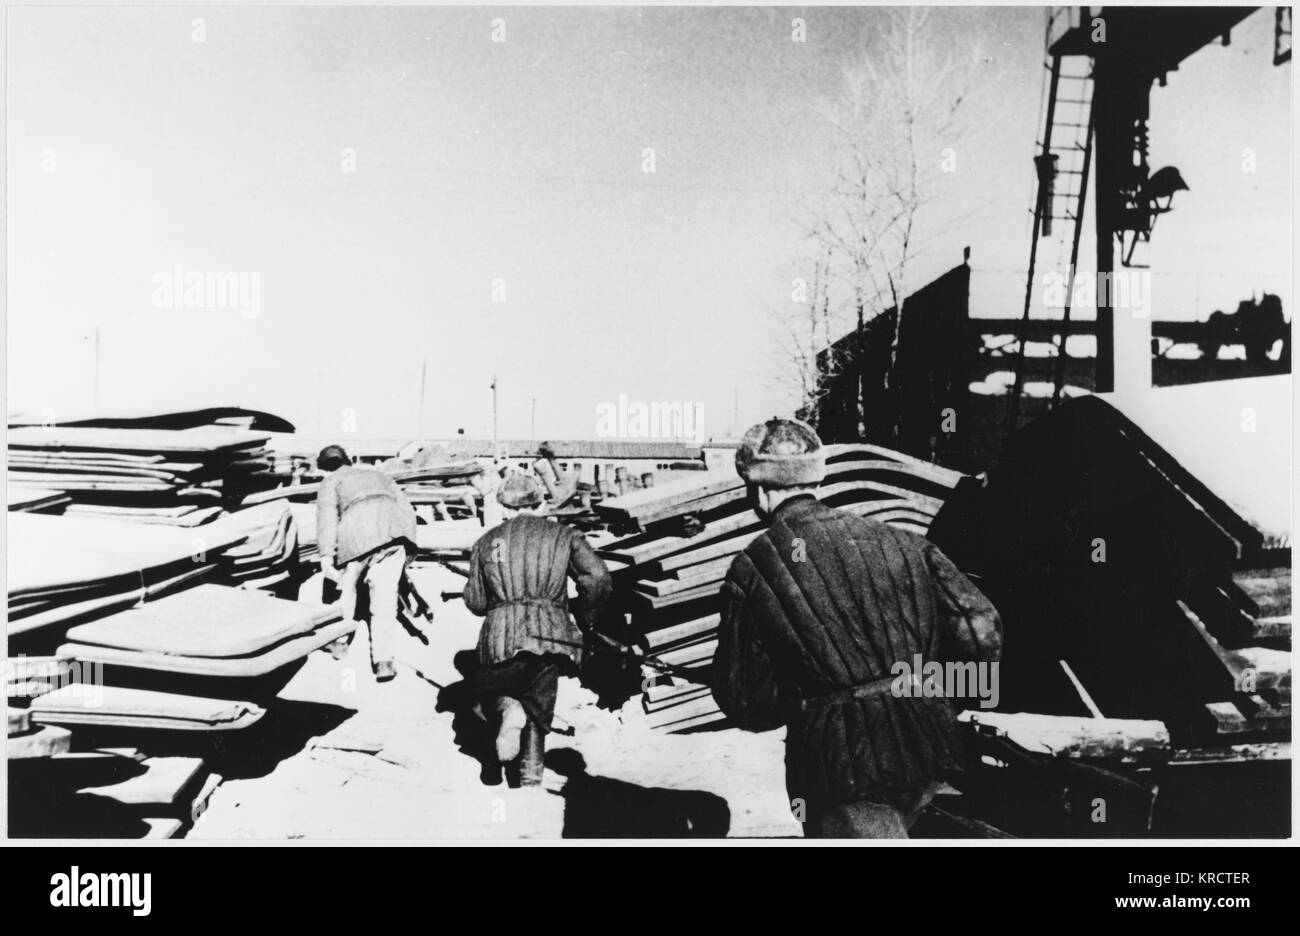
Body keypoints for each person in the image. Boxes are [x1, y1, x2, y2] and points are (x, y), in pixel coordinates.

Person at [711, 418, 1003, 838]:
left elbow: (750, 703)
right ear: (816, 477)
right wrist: (939, 696)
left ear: (757, 489)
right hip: (935, 747)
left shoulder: (753, 568)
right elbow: (981, 626)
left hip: (840, 771)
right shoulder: (901, 540)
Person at [463, 473, 612, 786]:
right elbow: (597, 577)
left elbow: (476, 603)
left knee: (485, 693)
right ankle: (530, 776)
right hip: (551, 634)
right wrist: (586, 618)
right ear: (540, 501)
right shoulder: (564, 535)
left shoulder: (487, 541)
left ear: (503, 506)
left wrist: (501, 600)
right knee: (539, 703)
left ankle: (507, 708)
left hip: (501, 636)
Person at [316, 444, 419, 683]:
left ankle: (339, 643)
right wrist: (409, 549)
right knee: (385, 601)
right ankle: (384, 662)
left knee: (345, 591)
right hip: (393, 535)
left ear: (324, 467)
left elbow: (327, 520)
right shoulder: (380, 475)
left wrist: (326, 557)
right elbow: (406, 509)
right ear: (347, 460)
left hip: (355, 537)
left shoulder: (330, 481)